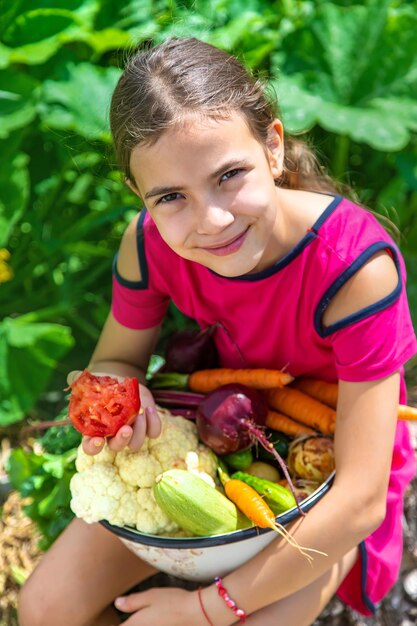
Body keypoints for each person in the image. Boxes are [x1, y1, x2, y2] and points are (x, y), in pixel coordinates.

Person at [19, 37, 417, 626]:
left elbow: (357, 500)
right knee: (44, 607)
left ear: (273, 148)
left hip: (327, 472)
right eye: (171, 196)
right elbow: (118, 363)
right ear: (140, 195)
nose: (212, 220)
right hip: (220, 423)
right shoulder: (148, 244)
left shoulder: (353, 268)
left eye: (229, 175)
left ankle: (317, 573)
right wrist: (124, 401)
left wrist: (203, 609)